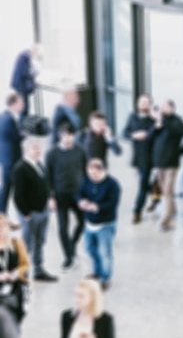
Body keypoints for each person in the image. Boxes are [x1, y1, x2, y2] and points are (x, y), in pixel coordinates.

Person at [12, 137, 57, 282]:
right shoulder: (20, 168)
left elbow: (46, 185)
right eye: (34, 149)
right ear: (26, 150)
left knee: (40, 241)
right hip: (30, 214)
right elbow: (18, 195)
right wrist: (25, 213)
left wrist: (50, 198)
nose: (38, 151)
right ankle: (21, 274)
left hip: (43, 211)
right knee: (27, 244)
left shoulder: (40, 165)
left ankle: (38, 270)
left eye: (39, 149)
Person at [76, 159, 121, 291]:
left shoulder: (112, 185)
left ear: (103, 171)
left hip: (105, 224)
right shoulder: (86, 181)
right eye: (90, 173)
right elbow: (79, 193)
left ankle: (105, 278)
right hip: (90, 223)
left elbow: (113, 203)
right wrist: (81, 201)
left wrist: (97, 207)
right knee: (89, 249)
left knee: (105, 252)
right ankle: (97, 272)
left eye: (96, 174)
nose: (93, 177)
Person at [46, 125, 87, 270]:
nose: (69, 138)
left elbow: (85, 171)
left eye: (71, 135)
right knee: (63, 227)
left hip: (78, 194)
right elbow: (48, 177)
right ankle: (68, 257)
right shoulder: (52, 153)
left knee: (83, 222)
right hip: (60, 195)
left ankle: (72, 245)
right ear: (60, 136)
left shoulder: (80, 150)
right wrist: (50, 197)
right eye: (66, 135)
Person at [148, 100, 183, 231]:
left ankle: (166, 219)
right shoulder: (160, 122)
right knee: (164, 189)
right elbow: (150, 137)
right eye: (162, 106)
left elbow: (180, 131)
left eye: (165, 106)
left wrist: (162, 120)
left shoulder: (176, 120)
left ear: (172, 108)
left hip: (171, 162)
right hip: (159, 161)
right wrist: (156, 126)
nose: (163, 109)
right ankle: (173, 209)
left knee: (168, 191)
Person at [123, 94, 156, 224]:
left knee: (142, 184)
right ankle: (156, 195)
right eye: (141, 102)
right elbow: (124, 133)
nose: (143, 104)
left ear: (150, 105)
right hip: (137, 156)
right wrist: (133, 135)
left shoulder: (153, 119)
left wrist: (148, 133)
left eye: (147, 102)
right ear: (138, 104)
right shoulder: (132, 117)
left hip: (150, 156)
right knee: (145, 182)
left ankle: (137, 211)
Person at [0, 214, 30, 325]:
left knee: (13, 325)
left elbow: (25, 264)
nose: (0, 230)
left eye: (3, 226)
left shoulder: (16, 243)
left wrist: (15, 274)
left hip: (15, 290)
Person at [0, 93, 25, 215]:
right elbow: (16, 137)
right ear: (13, 104)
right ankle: (22, 213)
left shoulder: (4, 116)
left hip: (6, 158)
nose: (23, 105)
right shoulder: (9, 119)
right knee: (18, 188)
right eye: (20, 103)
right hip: (11, 159)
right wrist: (23, 135)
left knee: (6, 187)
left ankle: (2, 214)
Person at [10, 46, 39, 120]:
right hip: (21, 86)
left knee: (24, 107)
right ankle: (23, 127)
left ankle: (23, 126)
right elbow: (25, 72)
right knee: (24, 108)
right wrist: (34, 73)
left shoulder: (24, 55)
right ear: (34, 51)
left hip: (20, 85)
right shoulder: (25, 56)